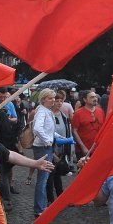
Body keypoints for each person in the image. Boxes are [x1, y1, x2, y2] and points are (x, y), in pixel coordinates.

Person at [32, 89, 71, 217]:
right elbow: (37, 129)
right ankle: (40, 208)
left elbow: (49, 131)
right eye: (50, 98)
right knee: (43, 179)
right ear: (43, 99)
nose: (53, 100)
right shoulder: (42, 112)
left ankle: (41, 206)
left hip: (46, 147)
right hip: (42, 148)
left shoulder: (46, 111)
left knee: (45, 177)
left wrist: (62, 138)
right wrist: (48, 140)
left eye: (53, 98)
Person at [72, 90, 104, 157]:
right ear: (85, 100)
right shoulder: (78, 113)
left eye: (95, 97)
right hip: (84, 150)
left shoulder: (100, 111)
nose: (95, 99)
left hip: (99, 149)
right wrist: (83, 147)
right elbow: (74, 131)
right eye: (92, 97)